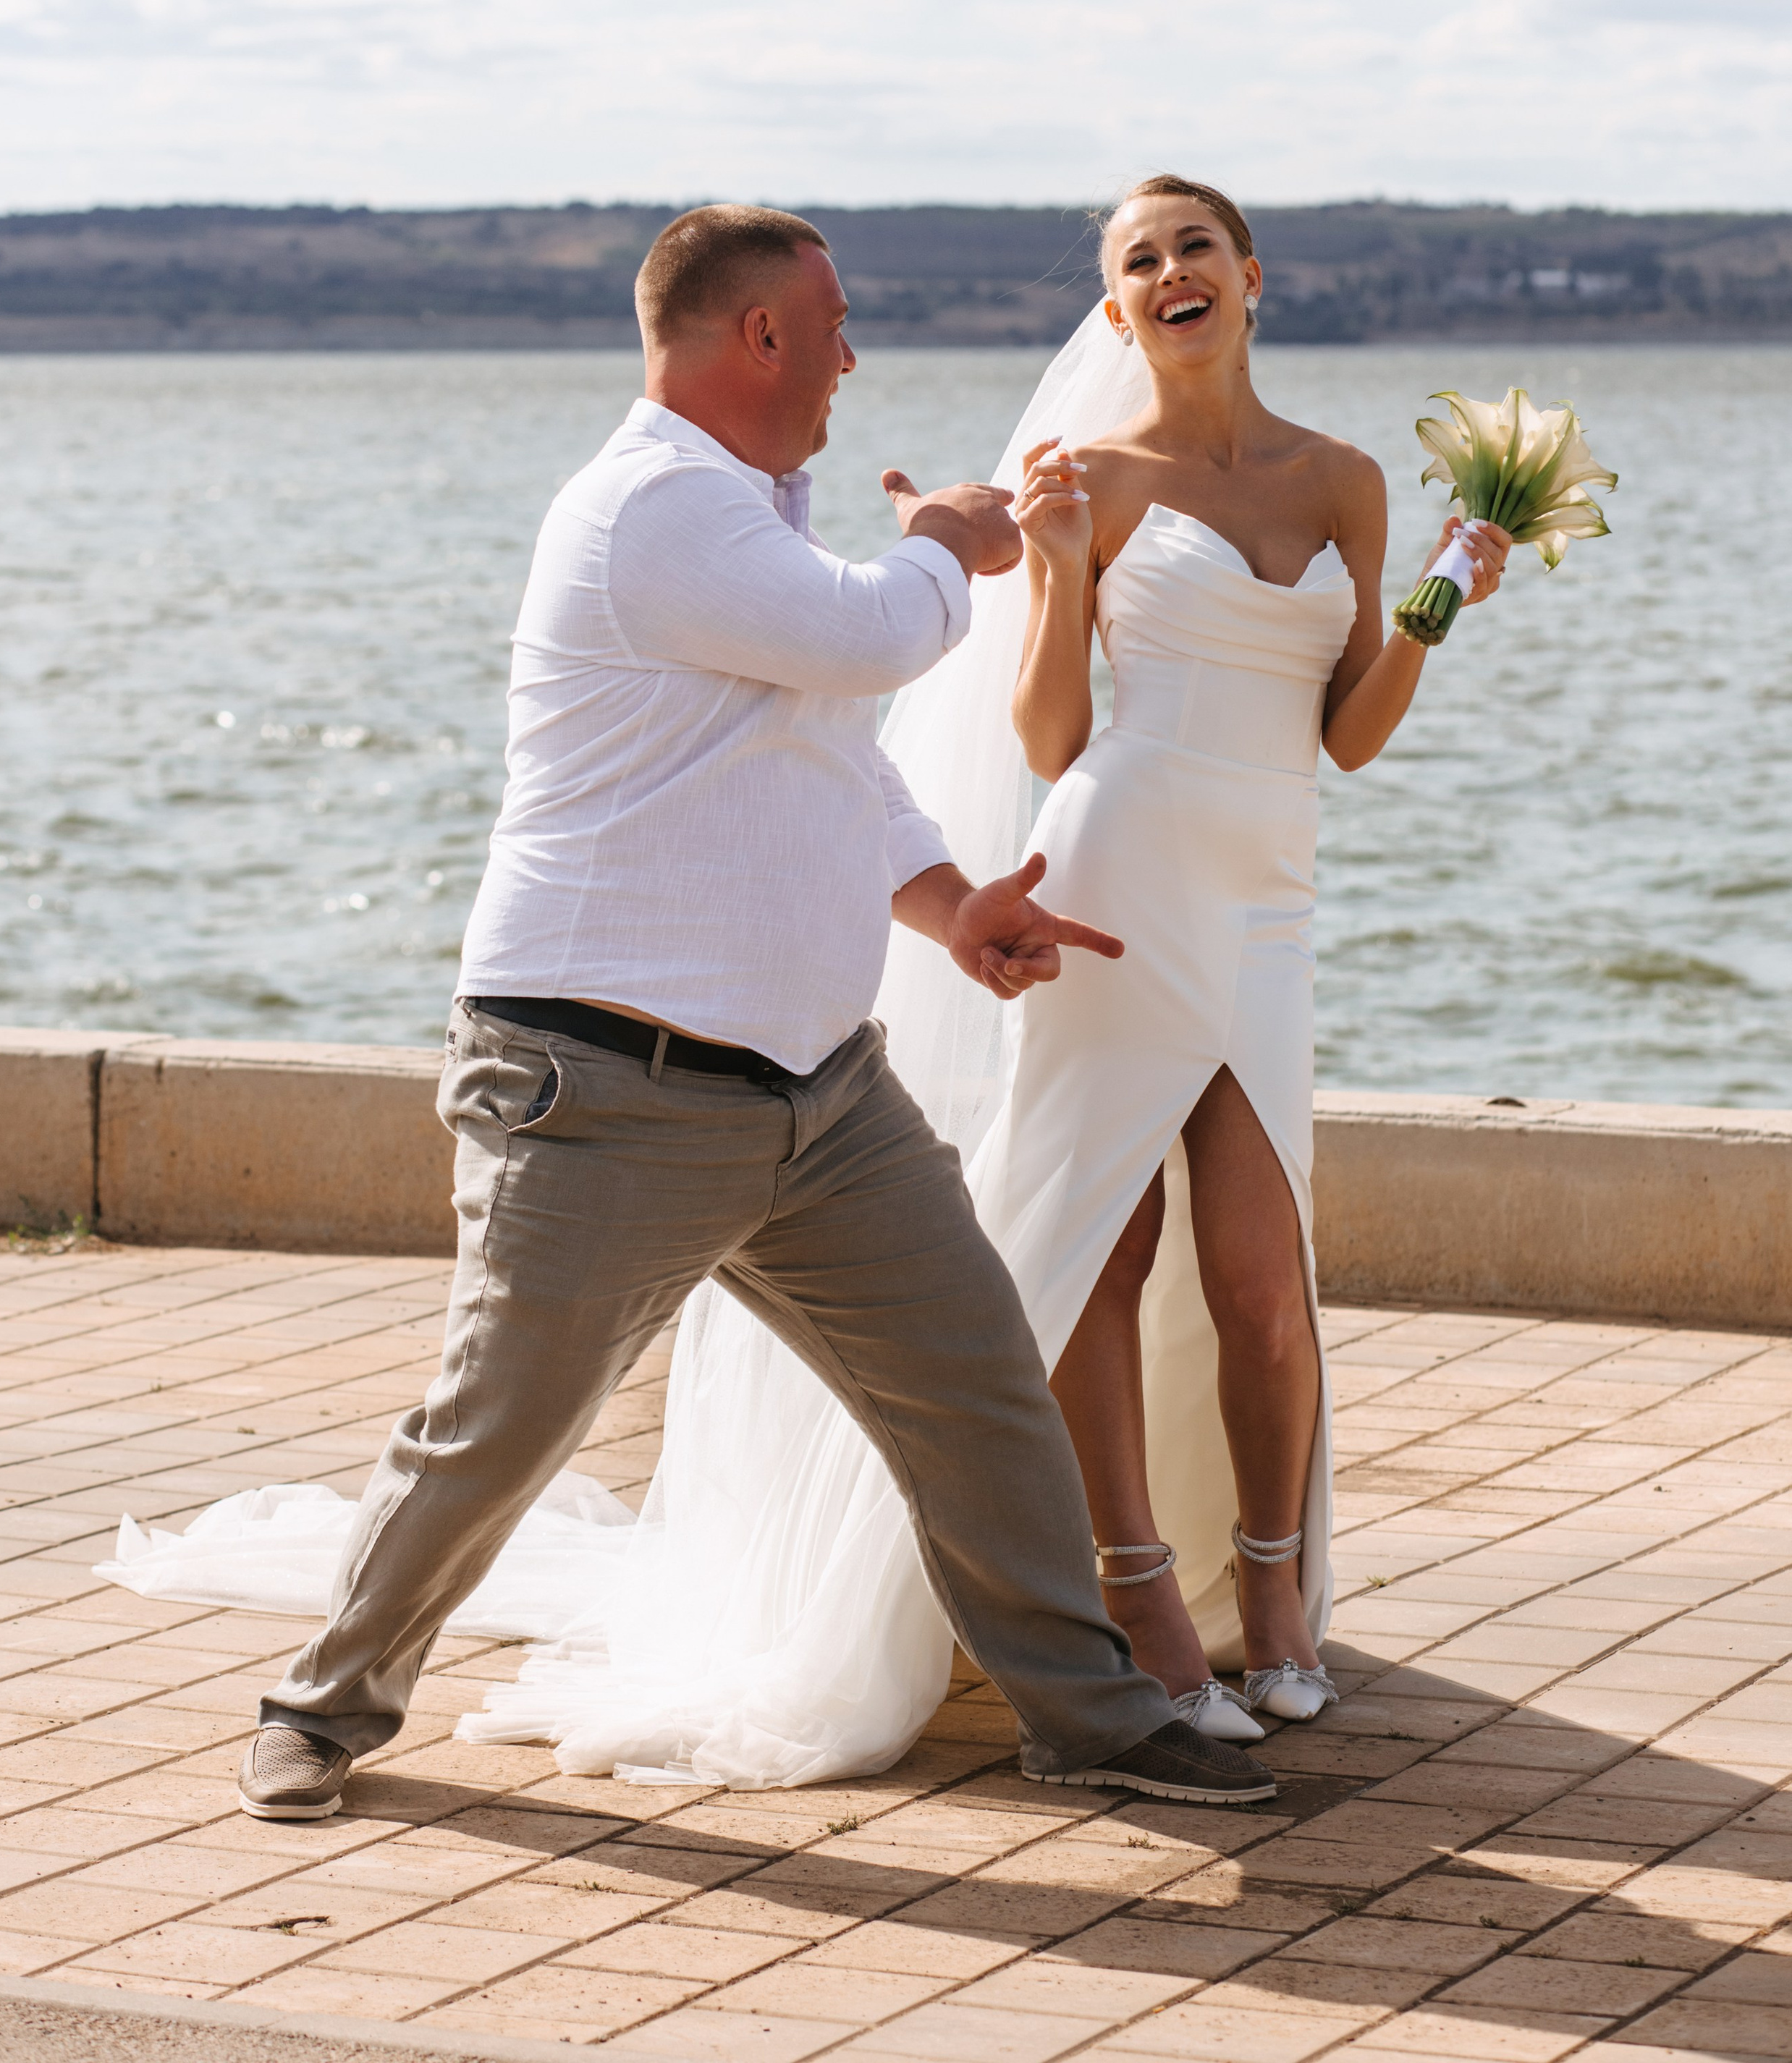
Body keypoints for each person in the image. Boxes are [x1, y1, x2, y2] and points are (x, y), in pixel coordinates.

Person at [233, 202, 1276, 1823]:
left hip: (817, 1098)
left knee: (977, 1380)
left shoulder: (752, 521)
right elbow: (875, 645)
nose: (854, 355)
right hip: (601, 1085)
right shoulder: (653, 511)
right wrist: (950, 539)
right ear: (760, 338)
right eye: (835, 323)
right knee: (495, 1426)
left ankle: (1086, 1711)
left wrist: (952, 909)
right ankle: (323, 1699)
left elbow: (834, 765)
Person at [987, 174, 1508, 1737]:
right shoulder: (1088, 474)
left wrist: (1429, 602)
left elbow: (1343, 736)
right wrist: (1062, 564)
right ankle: (1136, 1587)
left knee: (1260, 1283)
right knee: (1104, 1246)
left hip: (1267, 893)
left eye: (1189, 246)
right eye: (1134, 261)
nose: (1166, 272)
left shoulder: (1343, 479)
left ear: (1247, 273)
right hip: (1119, 866)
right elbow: (1048, 734)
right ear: (1113, 310)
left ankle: (1271, 1591)